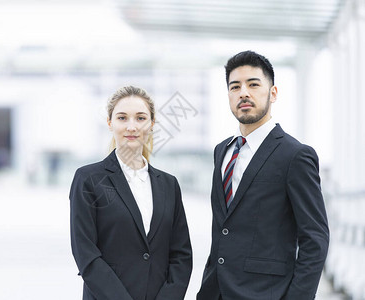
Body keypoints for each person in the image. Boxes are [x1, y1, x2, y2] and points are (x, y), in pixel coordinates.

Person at [197, 51, 329, 300]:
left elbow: (315, 239)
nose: (243, 93)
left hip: (266, 293)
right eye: (235, 87)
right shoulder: (221, 151)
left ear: (273, 93)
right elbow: (223, 228)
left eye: (253, 84)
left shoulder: (295, 155)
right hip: (216, 291)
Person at [70, 86, 192, 300]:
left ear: (152, 124)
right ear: (110, 123)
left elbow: (181, 255)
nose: (132, 126)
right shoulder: (89, 180)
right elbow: (86, 254)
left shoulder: (169, 185)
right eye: (122, 118)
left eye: (141, 118)